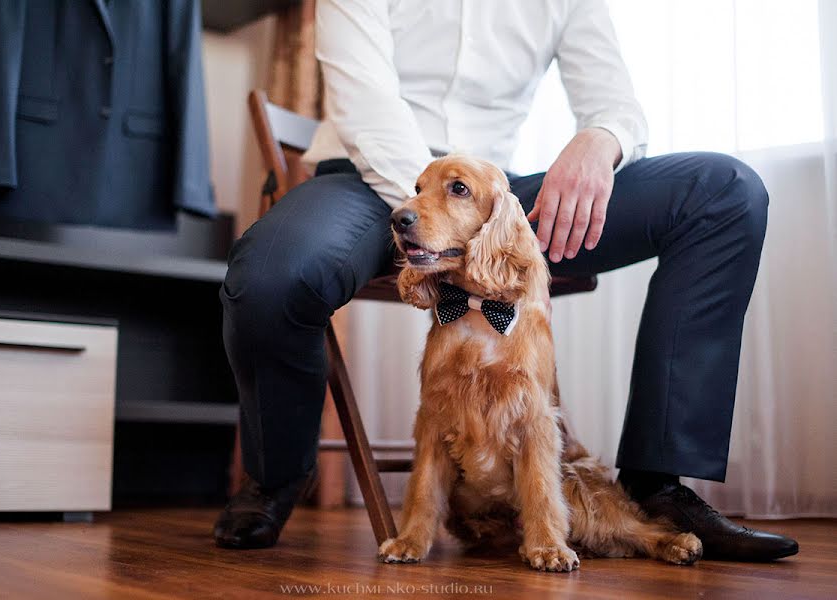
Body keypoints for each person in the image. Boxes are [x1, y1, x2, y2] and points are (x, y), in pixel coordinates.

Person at [214, 0, 798, 561]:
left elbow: (613, 99)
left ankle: (656, 487)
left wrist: (601, 140)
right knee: (269, 277)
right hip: (366, 177)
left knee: (723, 192)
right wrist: (442, 211)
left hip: (499, 194)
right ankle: (274, 477)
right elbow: (366, 104)